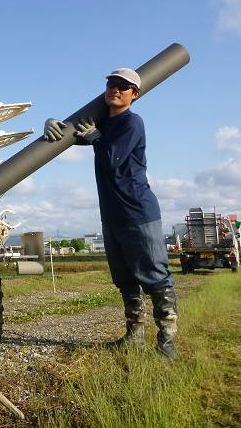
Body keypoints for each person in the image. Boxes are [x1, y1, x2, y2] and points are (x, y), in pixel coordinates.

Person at [43, 68, 178, 359]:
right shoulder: (103, 123)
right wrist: (52, 123)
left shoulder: (132, 122)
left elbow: (113, 159)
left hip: (138, 213)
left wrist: (94, 137)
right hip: (112, 214)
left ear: (134, 95)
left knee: (155, 276)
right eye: (111, 84)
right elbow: (73, 136)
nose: (115, 89)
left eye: (123, 86)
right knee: (125, 278)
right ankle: (134, 336)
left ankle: (167, 342)